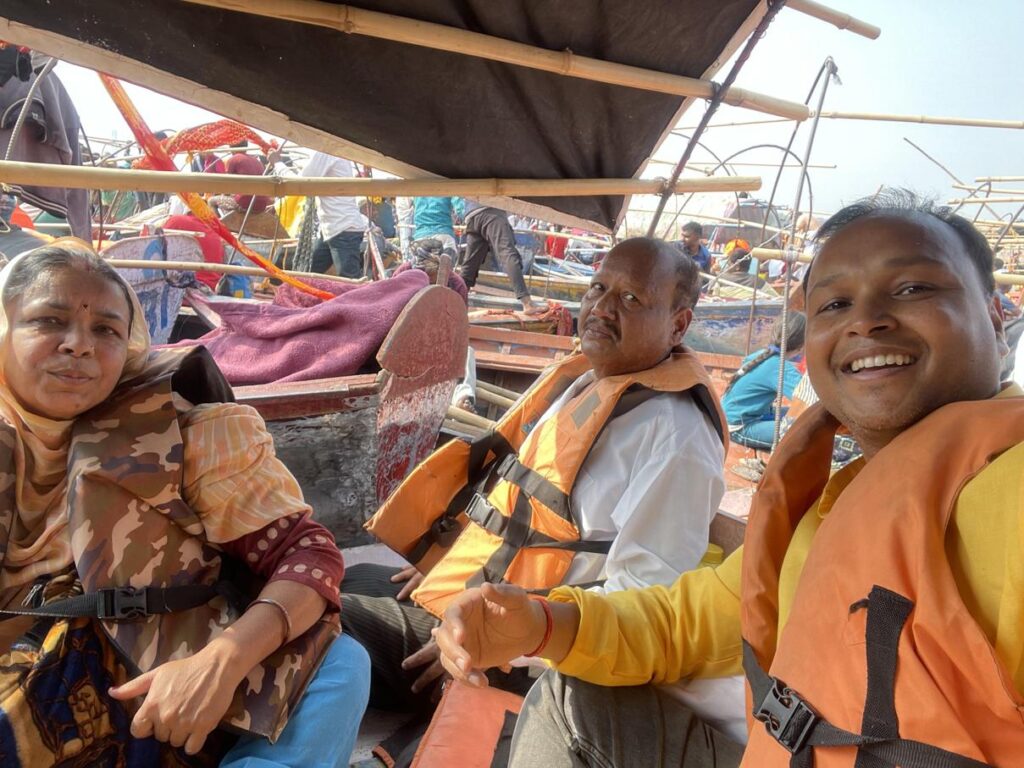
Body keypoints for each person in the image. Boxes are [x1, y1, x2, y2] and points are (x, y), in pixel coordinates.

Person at [435, 189, 1024, 767]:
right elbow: (683, 623)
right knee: (567, 694)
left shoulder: (1009, 493)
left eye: (913, 288)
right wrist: (538, 623)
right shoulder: (837, 507)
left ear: (997, 320)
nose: (866, 321)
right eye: (833, 305)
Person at [0, 240, 370, 766]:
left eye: (105, 329)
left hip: (158, 664)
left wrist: (221, 662)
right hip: (34, 675)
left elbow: (308, 554)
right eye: (48, 321)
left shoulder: (188, 431)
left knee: (341, 663)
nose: (78, 344)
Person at [343, 238, 731, 736]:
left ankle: (451, 714)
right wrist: (453, 565)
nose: (603, 308)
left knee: (329, 620)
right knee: (350, 580)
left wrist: (501, 639)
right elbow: (517, 506)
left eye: (632, 299)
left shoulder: (676, 437)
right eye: (598, 287)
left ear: (679, 324)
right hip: (478, 597)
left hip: (529, 652)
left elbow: (644, 600)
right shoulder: (588, 380)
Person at [273, 150, 367, 278]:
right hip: (332, 229)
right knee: (308, 272)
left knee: (350, 282)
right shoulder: (331, 150)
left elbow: (300, 183)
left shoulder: (326, 150)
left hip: (343, 229)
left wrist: (277, 163)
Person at [721, 313, 805, 450]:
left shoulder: (762, 355)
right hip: (739, 428)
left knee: (793, 413)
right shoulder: (781, 368)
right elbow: (808, 400)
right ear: (802, 345)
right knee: (807, 429)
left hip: (730, 418)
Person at [459, 201, 543, 314]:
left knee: (470, 264)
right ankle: (527, 303)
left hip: (472, 215)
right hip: (491, 209)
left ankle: (456, 302)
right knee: (508, 253)